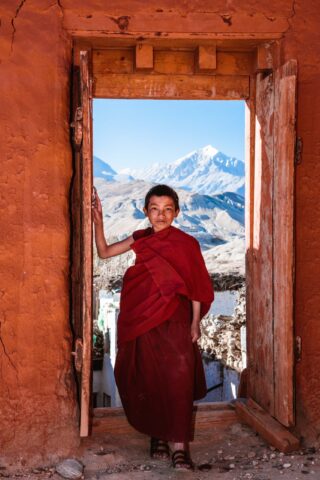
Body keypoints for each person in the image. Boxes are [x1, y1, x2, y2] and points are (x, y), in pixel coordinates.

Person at [92, 184, 214, 470]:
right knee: (151, 378)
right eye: (155, 209)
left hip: (176, 320)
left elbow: (196, 286)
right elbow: (105, 252)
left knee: (179, 379)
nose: (161, 215)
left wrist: (196, 323)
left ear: (177, 212)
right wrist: (99, 222)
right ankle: (158, 437)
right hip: (143, 319)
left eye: (167, 209)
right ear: (145, 211)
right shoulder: (140, 239)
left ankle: (180, 446)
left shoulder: (187, 244)